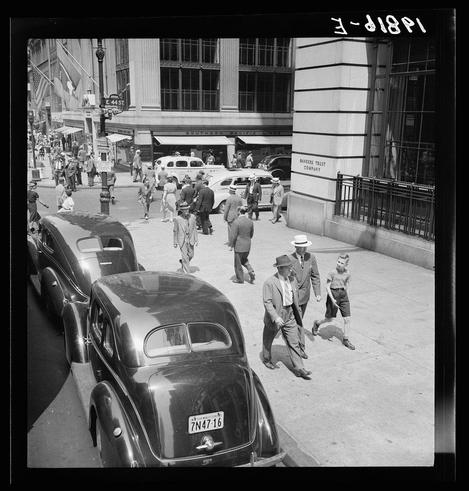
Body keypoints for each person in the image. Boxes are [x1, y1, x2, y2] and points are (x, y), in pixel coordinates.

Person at [262, 255, 311, 379]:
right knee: (268, 339)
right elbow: (267, 302)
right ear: (280, 268)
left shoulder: (292, 279)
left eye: (290, 266)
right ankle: (267, 359)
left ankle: (300, 368)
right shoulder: (270, 282)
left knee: (294, 341)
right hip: (276, 315)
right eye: (288, 267)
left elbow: (295, 297)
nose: (291, 269)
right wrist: (276, 317)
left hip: (290, 314)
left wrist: (297, 310)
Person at [312, 253, 355, 350]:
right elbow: (327, 286)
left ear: (346, 265)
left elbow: (347, 283)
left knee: (347, 319)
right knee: (329, 319)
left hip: (343, 295)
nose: (339, 264)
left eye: (342, 263)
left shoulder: (347, 273)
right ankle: (317, 323)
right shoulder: (332, 273)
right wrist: (333, 299)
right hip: (333, 295)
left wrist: (346, 295)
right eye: (338, 261)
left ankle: (346, 339)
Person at [229, 206, 255, 284]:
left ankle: (240, 279)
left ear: (239, 212)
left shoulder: (236, 222)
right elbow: (251, 234)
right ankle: (250, 269)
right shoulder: (250, 221)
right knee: (244, 259)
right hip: (247, 245)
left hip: (239, 245)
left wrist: (231, 245)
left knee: (238, 263)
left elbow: (233, 235)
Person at [173, 201, 198, 274]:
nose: (186, 211)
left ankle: (183, 263)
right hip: (182, 240)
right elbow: (175, 231)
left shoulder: (192, 217)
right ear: (182, 211)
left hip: (190, 239)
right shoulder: (177, 219)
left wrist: (196, 239)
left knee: (191, 255)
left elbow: (194, 228)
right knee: (185, 256)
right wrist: (175, 242)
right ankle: (187, 273)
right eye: (184, 210)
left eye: (187, 209)